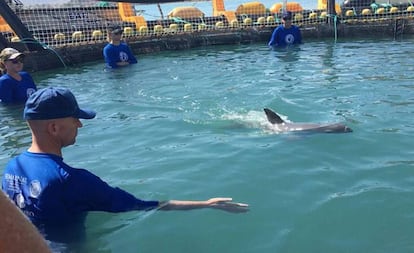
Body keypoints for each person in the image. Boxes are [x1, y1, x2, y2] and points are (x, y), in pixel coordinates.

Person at [1, 87, 248, 241]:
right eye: (75, 119)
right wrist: (206, 204)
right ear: (54, 128)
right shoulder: (72, 180)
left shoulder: (12, 168)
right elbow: (143, 206)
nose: (80, 125)